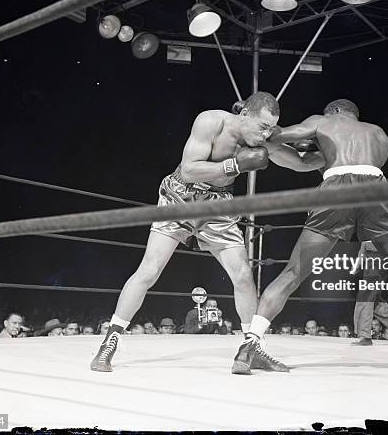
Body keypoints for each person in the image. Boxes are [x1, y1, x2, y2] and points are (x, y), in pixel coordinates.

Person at [232, 98, 388, 385]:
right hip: (377, 189)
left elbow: (278, 134)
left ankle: (248, 347)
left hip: (335, 189)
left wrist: (248, 120)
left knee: (292, 273)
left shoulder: (323, 121)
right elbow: (365, 167)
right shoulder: (380, 135)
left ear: (336, 112)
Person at [90, 92, 281, 372]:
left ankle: (251, 347)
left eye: (271, 128)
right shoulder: (210, 121)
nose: (266, 135)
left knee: (242, 274)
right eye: (262, 126)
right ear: (244, 115)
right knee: (149, 270)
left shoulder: (262, 139)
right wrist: (236, 164)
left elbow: (299, 162)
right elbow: (190, 171)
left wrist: (329, 160)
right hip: (180, 197)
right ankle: (110, 342)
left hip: (219, 205)